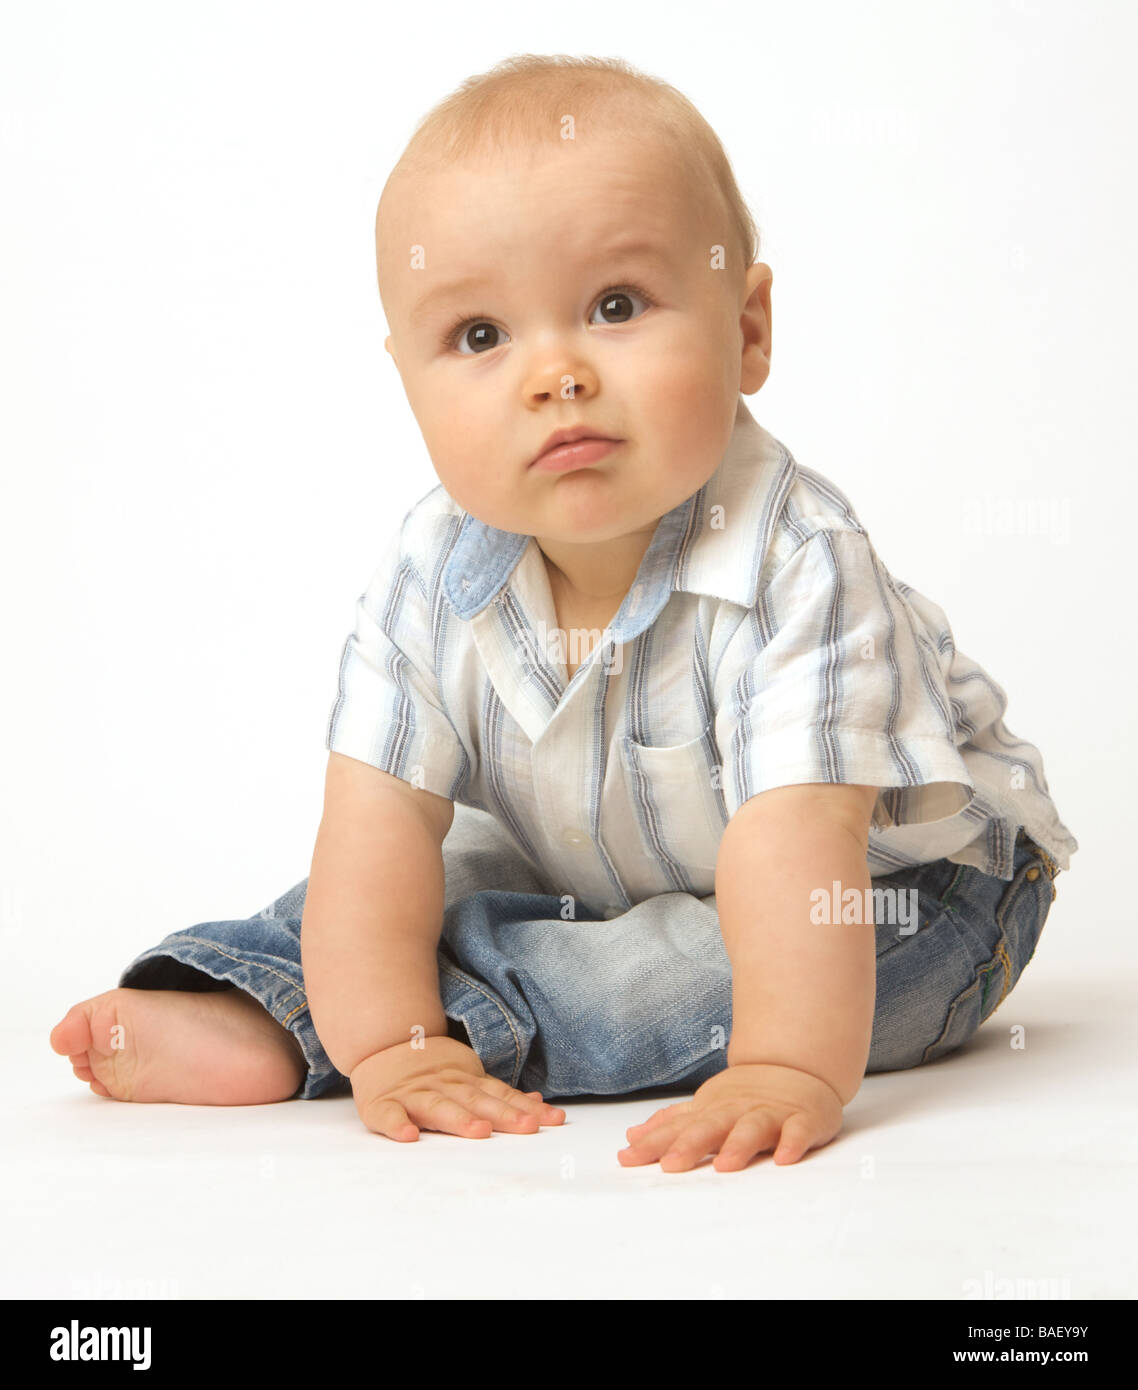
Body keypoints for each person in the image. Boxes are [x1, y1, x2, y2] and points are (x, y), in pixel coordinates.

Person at [50, 53, 1076, 1173]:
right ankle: (312, 1001)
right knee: (410, 881)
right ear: (409, 383)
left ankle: (326, 1026)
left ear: (746, 330)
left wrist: (784, 1065)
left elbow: (796, 852)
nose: (555, 374)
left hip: (894, 900)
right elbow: (374, 828)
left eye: (615, 306)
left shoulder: (796, 557)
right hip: (605, 857)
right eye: (481, 336)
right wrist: (391, 1030)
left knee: (677, 969)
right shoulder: (428, 565)